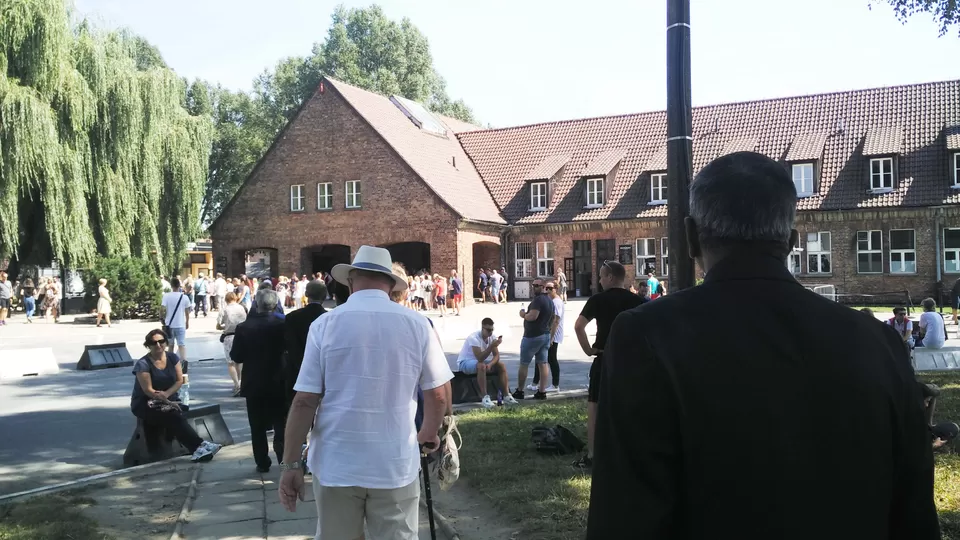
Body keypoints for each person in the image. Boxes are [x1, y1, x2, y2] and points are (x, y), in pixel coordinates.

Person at [586, 151, 938, 539]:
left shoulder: (646, 336)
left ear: (690, 237)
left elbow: (624, 510)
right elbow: (914, 509)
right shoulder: (878, 341)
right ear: (791, 241)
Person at [278, 246, 453, 539]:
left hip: (336, 462)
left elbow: (304, 401)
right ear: (390, 284)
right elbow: (438, 394)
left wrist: (291, 463)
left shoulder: (324, 325)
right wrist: (428, 433)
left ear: (351, 281)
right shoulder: (418, 324)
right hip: (394, 462)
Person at [572, 260, 645, 470]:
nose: (599, 281)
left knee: (595, 405)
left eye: (602, 276)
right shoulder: (638, 301)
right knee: (630, 405)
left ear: (610, 277)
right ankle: (629, 452)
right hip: (630, 361)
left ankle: (593, 455)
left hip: (604, 357)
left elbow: (579, 326)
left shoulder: (598, 300)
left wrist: (588, 350)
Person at [131, 329, 221, 462]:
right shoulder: (143, 364)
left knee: (177, 411)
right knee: (172, 414)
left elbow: (179, 381)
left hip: (167, 399)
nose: (158, 345)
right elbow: (148, 390)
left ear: (166, 342)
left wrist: (167, 395)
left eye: (161, 341)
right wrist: (168, 402)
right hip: (146, 402)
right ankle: (198, 447)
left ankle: (199, 446)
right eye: (154, 343)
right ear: (148, 345)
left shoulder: (172, 358)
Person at [231, 289, 288, 473]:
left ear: (257, 304)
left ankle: (262, 462)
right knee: (281, 423)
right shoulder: (284, 323)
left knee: (257, 426)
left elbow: (236, 356)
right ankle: (284, 460)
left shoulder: (244, 327)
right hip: (280, 380)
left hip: (254, 382)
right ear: (275, 303)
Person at [457, 318, 517, 408]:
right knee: (481, 366)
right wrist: (491, 346)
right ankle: (485, 397)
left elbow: (496, 356)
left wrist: (490, 364)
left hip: (479, 362)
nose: (490, 332)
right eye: (488, 330)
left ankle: (506, 395)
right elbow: (480, 358)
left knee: (501, 365)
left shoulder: (492, 337)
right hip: (465, 362)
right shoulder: (473, 338)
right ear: (482, 328)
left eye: (492, 330)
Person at [283, 280, 327, 401]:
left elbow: (288, 344)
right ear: (324, 296)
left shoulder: (292, 317)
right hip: (323, 373)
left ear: (306, 294)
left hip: (296, 371)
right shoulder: (329, 318)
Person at [513, 278, 554, 401]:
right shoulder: (549, 300)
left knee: (524, 363)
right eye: (533, 285)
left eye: (537, 285)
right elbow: (552, 319)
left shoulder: (538, 300)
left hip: (532, 336)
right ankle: (542, 391)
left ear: (543, 287)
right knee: (543, 363)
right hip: (545, 335)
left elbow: (532, 316)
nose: (534, 287)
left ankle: (520, 391)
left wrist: (523, 315)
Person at [531, 281, 563, 392]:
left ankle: (555, 385)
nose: (548, 290)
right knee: (541, 358)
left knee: (551, 359)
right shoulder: (551, 301)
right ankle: (535, 382)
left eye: (550, 288)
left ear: (556, 289)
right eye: (546, 288)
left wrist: (551, 337)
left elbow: (556, 321)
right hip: (547, 334)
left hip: (553, 335)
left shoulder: (556, 302)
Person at [217, 291, 247, 396]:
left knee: (230, 362)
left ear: (226, 299)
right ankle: (241, 382)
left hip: (229, 336)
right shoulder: (241, 308)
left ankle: (236, 384)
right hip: (241, 335)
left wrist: (222, 327)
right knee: (240, 361)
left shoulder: (225, 309)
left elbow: (218, 324)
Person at [160, 278, 193, 363]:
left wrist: (162, 318)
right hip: (180, 324)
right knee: (181, 345)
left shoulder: (166, 296)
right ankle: (184, 362)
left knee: (170, 345)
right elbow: (187, 312)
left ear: (171, 286)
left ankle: (170, 363)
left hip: (169, 325)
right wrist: (187, 322)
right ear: (179, 286)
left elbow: (162, 309)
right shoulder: (184, 297)